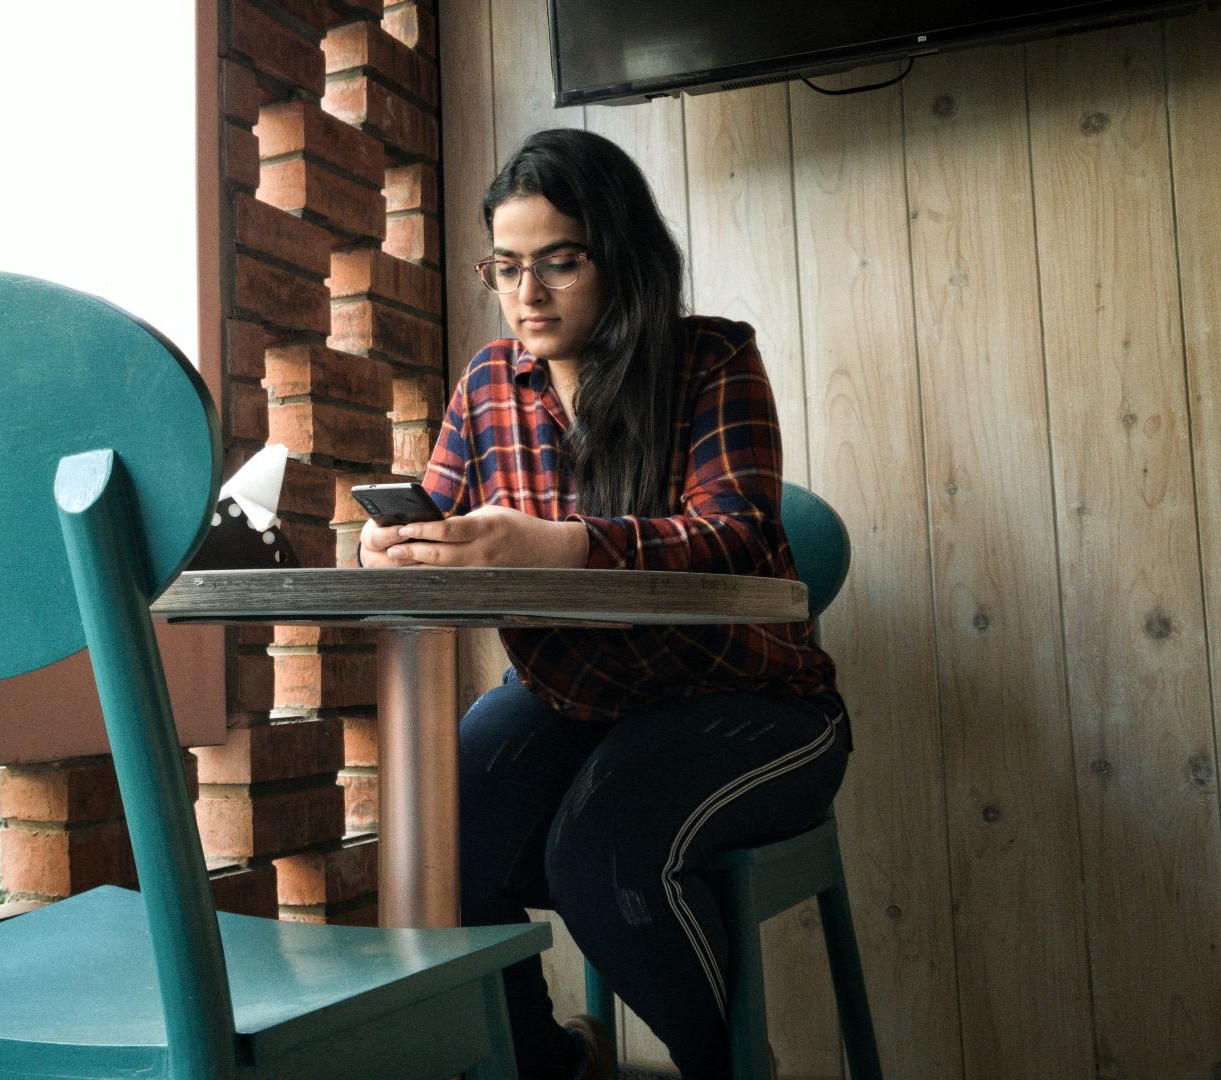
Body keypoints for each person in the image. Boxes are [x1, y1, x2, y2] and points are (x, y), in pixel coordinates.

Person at [357, 128, 851, 1080]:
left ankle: (731, 1066)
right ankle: (548, 1065)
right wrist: (400, 544)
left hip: (758, 707)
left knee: (601, 854)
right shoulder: (488, 384)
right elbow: (446, 528)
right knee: (437, 838)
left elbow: (738, 532)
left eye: (559, 263)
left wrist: (560, 543)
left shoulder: (709, 360)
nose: (526, 295)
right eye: (505, 267)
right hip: (568, 699)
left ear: (619, 257)